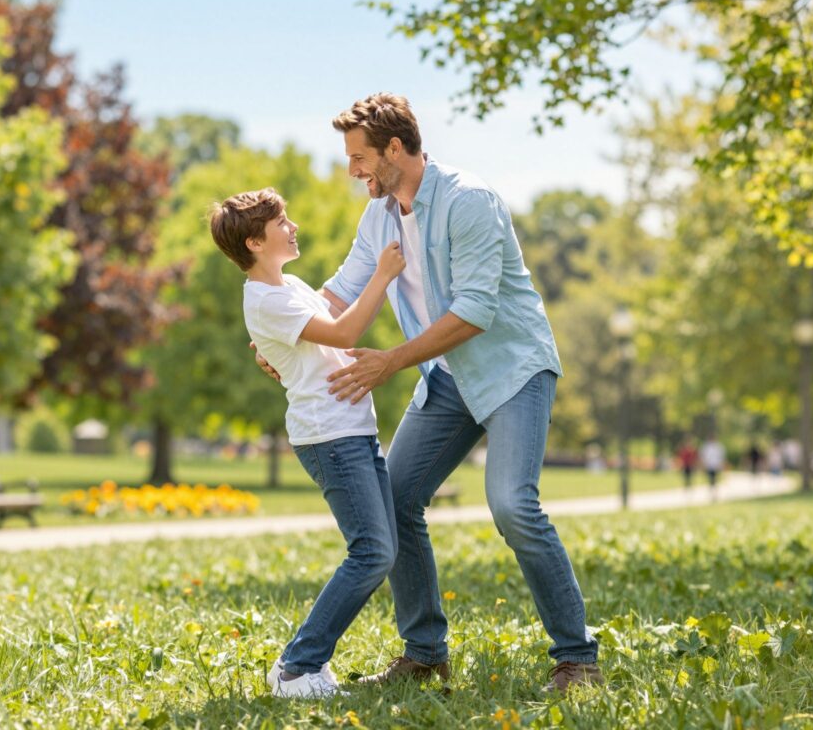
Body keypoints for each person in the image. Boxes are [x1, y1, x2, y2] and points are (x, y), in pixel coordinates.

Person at [259, 93, 601, 692]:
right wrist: (284, 333)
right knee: (394, 499)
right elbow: (339, 292)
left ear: (395, 149)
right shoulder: (379, 217)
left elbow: (474, 312)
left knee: (513, 505)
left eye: (360, 157)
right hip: (446, 380)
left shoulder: (468, 201)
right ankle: (424, 655)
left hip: (509, 371)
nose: (352, 171)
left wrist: (390, 361)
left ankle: (577, 659)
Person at [211, 187, 405, 698]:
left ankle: (305, 666)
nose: (292, 226)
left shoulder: (289, 285)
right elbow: (342, 333)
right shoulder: (266, 297)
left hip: (353, 428)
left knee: (381, 547)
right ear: (255, 242)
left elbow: (310, 335)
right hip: (328, 435)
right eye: (282, 222)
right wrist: (383, 275)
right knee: (372, 552)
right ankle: (298, 667)